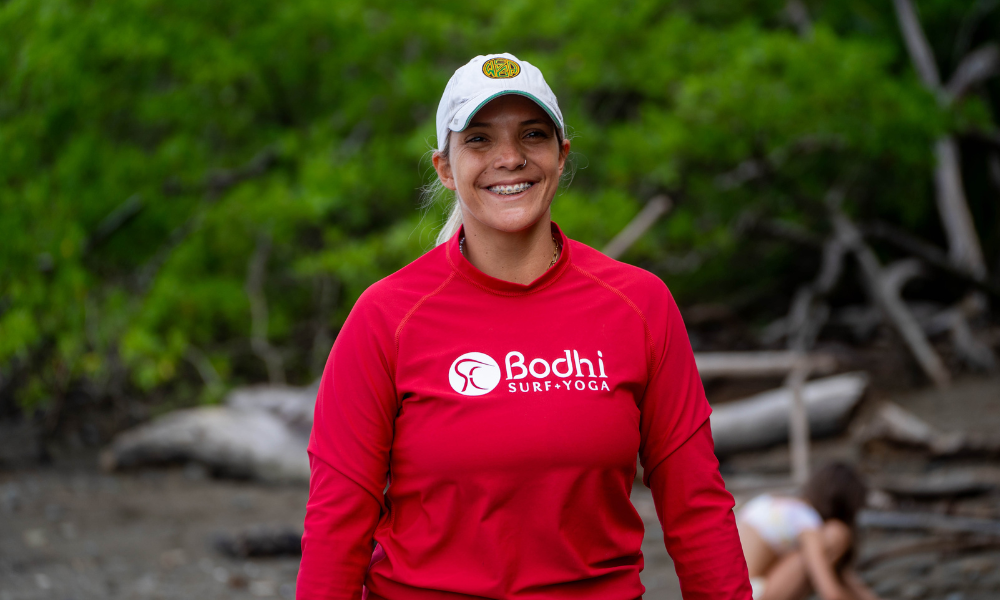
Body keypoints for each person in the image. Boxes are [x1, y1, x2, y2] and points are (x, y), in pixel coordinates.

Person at [297, 52, 752, 600]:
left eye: (532, 135)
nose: (509, 158)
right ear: (445, 166)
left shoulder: (639, 305)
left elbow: (696, 507)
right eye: (480, 139)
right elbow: (334, 527)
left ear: (561, 156)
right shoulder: (386, 316)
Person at [737, 462, 881, 600]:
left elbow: (843, 574)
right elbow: (831, 594)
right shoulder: (807, 521)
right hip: (747, 594)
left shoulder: (783, 505)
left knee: (819, 556)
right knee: (836, 534)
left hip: (729, 589)